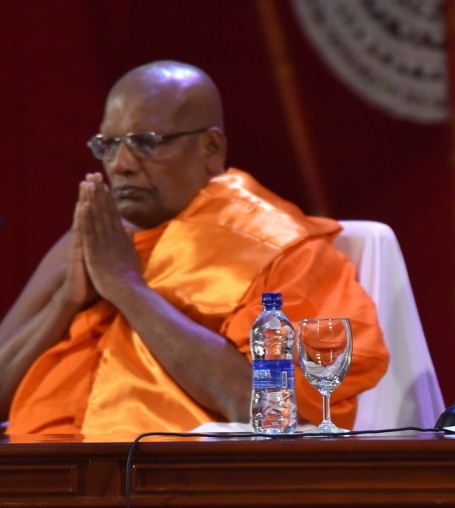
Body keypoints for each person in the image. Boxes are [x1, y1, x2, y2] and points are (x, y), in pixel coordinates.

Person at [0, 60, 389, 436]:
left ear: (211, 147)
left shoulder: (280, 249)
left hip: (171, 483)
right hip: (40, 474)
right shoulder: (96, 241)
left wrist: (127, 289)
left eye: (145, 143)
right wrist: (67, 301)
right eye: (109, 144)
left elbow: (270, 409)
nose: (121, 164)